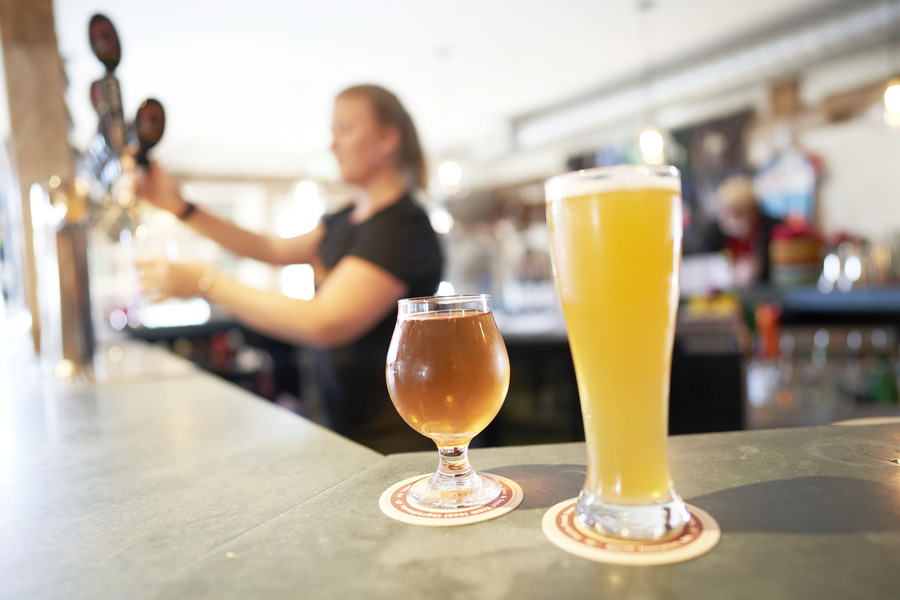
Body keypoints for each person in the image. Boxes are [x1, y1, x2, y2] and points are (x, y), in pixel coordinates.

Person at [136, 84, 444, 453]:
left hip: (397, 439)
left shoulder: (403, 228)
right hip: (346, 430)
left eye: (344, 129)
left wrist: (206, 283)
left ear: (386, 138)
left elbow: (324, 322)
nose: (333, 144)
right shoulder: (344, 221)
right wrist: (180, 207)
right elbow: (268, 247)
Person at [701, 173, 780, 288]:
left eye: (737, 212)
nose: (730, 219)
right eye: (725, 212)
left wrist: (761, 269)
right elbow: (704, 267)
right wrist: (730, 274)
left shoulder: (772, 229)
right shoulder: (714, 232)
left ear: (752, 211)